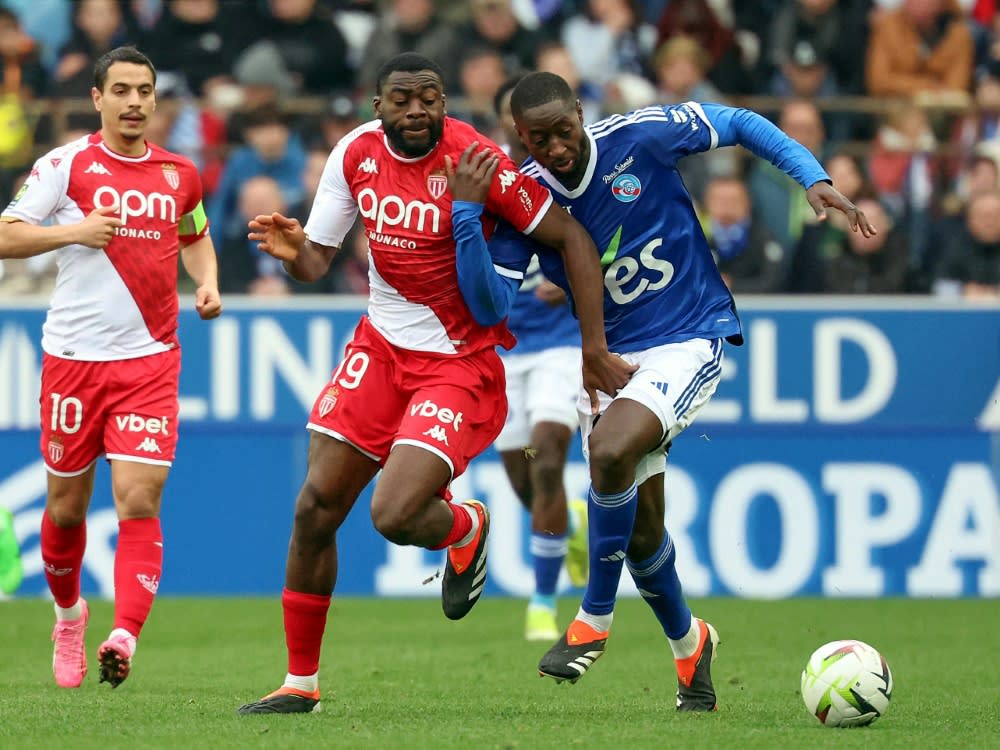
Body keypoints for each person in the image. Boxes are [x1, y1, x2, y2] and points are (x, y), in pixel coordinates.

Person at [236, 52, 633, 715]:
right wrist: (294, 250)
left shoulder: (476, 162)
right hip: (380, 348)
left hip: (457, 362)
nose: (417, 109)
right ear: (378, 106)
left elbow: (572, 238)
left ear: (445, 102)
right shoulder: (354, 155)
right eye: (402, 98)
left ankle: (462, 526)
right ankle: (299, 684)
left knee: (392, 515)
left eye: (430, 96)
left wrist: (594, 344)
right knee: (313, 510)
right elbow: (317, 259)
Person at [487, 71, 874, 711]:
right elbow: (494, 297)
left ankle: (594, 619)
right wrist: (470, 220)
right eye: (537, 139)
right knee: (641, 532)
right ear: (518, 137)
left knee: (610, 451)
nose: (555, 148)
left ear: (580, 112)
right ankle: (691, 646)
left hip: (688, 334)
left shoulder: (640, 135)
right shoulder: (523, 199)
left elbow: (741, 122)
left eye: (563, 130)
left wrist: (811, 175)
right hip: (614, 361)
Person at [0, 45, 222, 689]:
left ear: (155, 100)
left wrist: (205, 282)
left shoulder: (180, 172)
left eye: (144, 91)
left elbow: (196, 232)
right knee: (66, 509)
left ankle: (124, 635)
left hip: (150, 361)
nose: (133, 102)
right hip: (72, 362)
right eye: (120, 90)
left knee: (139, 497)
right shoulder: (63, 166)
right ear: (97, 98)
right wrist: (74, 232)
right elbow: (7, 235)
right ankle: (69, 616)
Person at [493, 76, 589, 643]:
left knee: (549, 456)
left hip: (560, 344)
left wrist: (573, 273)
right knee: (524, 475)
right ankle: (569, 525)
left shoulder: (566, 179)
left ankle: (543, 601)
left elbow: (603, 239)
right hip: (505, 352)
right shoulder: (487, 184)